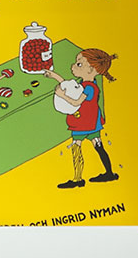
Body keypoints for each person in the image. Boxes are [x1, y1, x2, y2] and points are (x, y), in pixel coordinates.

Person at [49, 49, 118, 188]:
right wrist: (56, 77)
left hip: (84, 123)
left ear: (91, 69)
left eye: (79, 64)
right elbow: (71, 89)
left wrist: (62, 95)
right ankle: (109, 173)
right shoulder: (85, 83)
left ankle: (78, 179)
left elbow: (76, 102)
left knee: (77, 148)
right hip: (91, 122)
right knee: (98, 147)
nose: (73, 66)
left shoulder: (89, 88)